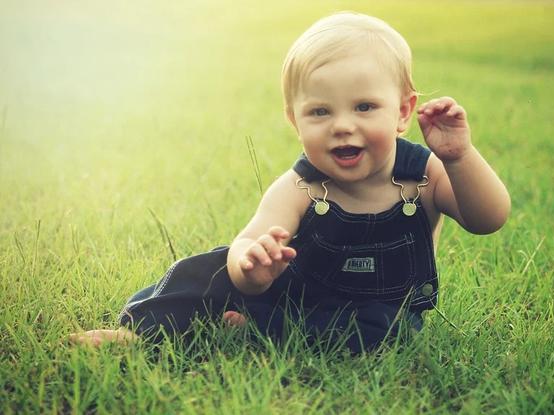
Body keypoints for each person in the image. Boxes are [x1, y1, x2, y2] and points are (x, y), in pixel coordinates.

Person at [69, 12, 510, 352]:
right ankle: (142, 331)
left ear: (401, 111)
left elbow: (487, 218)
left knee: (386, 332)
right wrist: (252, 267)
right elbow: (250, 239)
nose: (342, 125)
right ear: (293, 120)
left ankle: (254, 332)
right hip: (292, 293)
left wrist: (460, 157)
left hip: (375, 312)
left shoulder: (426, 175)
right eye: (320, 111)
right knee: (208, 270)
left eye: (364, 107)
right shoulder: (300, 187)